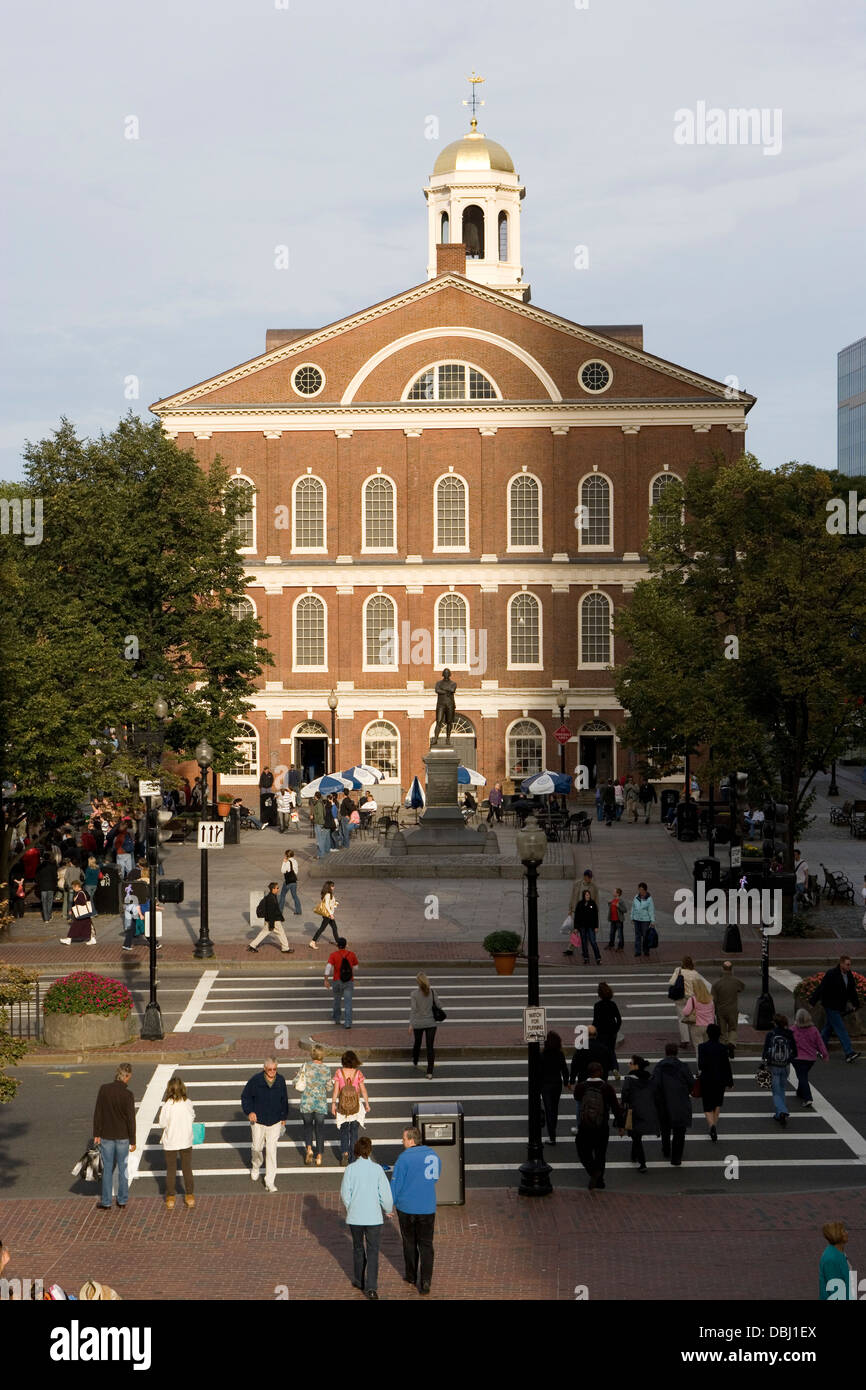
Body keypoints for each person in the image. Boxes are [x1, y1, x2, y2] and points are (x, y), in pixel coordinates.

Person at [339, 1135, 393, 1300]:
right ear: (369, 1151)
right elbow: (385, 1193)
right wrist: (388, 1208)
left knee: (357, 1248)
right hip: (373, 1218)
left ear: (355, 1151)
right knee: (373, 1251)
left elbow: (344, 1193)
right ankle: (371, 1287)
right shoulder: (376, 1169)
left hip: (355, 1217)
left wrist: (351, 1207)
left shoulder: (350, 1169)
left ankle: (358, 1279)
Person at [391, 1125, 441, 1295]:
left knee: (409, 1243)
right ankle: (426, 1280)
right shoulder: (433, 1155)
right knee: (426, 1245)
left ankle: (411, 1276)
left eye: (404, 1138)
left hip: (407, 1208)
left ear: (411, 1140)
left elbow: (395, 1185)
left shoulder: (403, 1158)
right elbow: (435, 1176)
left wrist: (389, 1203)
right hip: (427, 1207)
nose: (402, 1141)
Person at [573, 1062, 625, 1189]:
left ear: (588, 1073)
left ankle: (593, 1171)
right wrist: (621, 1126)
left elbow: (577, 1097)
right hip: (601, 1125)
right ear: (601, 1072)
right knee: (600, 1153)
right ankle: (599, 1180)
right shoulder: (607, 1088)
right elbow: (615, 1107)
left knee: (583, 1151)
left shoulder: (581, 1086)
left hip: (585, 1125)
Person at [241, 1057, 288, 1192]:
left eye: (275, 1069)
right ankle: (256, 1166)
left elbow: (284, 1099)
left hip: (275, 1121)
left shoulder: (281, 1080)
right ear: (264, 1069)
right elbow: (245, 1097)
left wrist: (284, 1116)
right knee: (256, 1148)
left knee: (272, 1151)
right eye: (269, 1069)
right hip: (258, 1121)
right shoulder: (255, 1080)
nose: (272, 1072)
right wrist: (249, 1112)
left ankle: (270, 1181)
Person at [93, 1063, 136, 1209]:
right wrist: (133, 1140)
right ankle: (122, 1200)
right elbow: (131, 1119)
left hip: (107, 1135)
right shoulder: (128, 1095)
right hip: (123, 1136)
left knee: (107, 1168)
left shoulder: (104, 1089)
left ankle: (106, 1201)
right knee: (123, 1167)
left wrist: (96, 1133)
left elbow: (98, 1113)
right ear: (127, 1076)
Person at [809, 956, 862, 1063]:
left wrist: (856, 1003)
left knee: (829, 1027)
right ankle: (849, 1053)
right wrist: (813, 1001)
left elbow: (852, 990)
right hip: (830, 1005)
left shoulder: (849, 975)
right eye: (847, 964)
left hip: (839, 1006)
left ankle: (818, 1047)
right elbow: (821, 987)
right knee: (841, 1028)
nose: (849, 966)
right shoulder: (831, 974)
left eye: (850, 964)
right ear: (841, 964)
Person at [651, 1042, 695, 1166]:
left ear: (666, 1052)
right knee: (679, 1132)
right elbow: (691, 1084)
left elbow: (654, 1086)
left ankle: (666, 1149)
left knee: (665, 1128)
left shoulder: (659, 1067)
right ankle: (676, 1158)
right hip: (680, 1103)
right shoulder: (683, 1066)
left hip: (663, 1103)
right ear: (677, 1052)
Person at [158, 1076, 196, 1209]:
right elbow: (192, 1116)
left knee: (171, 1169)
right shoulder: (188, 1102)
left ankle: (170, 1198)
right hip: (186, 1139)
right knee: (186, 1167)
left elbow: (162, 1123)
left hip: (171, 1141)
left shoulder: (167, 1105)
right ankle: (190, 1195)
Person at [618, 1055, 657, 1172]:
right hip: (647, 1109)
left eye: (630, 1063)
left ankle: (643, 1163)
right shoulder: (649, 1078)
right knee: (637, 1135)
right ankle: (634, 1156)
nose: (628, 1064)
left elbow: (625, 1095)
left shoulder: (630, 1079)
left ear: (636, 1066)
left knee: (636, 1136)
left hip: (633, 1110)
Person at [696, 1022, 733, 1141]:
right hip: (720, 1079)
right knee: (717, 1103)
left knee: (707, 1104)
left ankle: (711, 1126)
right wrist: (730, 1081)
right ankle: (714, 1125)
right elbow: (727, 1066)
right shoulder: (723, 1048)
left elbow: (701, 1065)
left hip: (706, 1079)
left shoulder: (702, 1047)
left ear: (708, 1034)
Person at [332, 1051, 370, 1165]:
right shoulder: (358, 1073)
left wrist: (333, 1104)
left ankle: (345, 1153)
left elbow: (336, 1090)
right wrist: (367, 1103)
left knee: (344, 1131)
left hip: (342, 1106)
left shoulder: (339, 1072)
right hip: (355, 1106)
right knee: (354, 1132)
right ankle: (353, 1157)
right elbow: (363, 1090)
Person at [762, 1013, 797, 1126]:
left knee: (776, 1091)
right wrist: (787, 1059)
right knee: (782, 1089)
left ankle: (782, 1111)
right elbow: (795, 1052)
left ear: (775, 1023)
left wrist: (765, 1063)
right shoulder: (789, 1034)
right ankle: (778, 1114)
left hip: (774, 1065)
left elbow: (765, 1052)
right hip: (785, 1066)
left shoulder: (771, 1034)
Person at [298, 1044, 330, 1166]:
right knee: (320, 1130)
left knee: (307, 1128)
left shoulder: (305, 1066)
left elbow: (296, 1082)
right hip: (320, 1104)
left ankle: (309, 1149)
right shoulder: (326, 1069)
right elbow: (329, 1087)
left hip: (307, 1103)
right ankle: (319, 1156)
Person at [791, 1007, 829, 1107]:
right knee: (803, 1075)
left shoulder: (793, 1029)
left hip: (797, 1058)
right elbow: (820, 1043)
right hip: (810, 1059)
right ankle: (800, 1091)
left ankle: (808, 1098)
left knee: (802, 1076)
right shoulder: (814, 1030)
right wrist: (824, 1054)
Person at [669, 955, 711, 1042]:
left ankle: (685, 1040)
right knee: (692, 1017)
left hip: (680, 997)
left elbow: (672, 982)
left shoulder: (678, 970)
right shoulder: (695, 974)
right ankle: (693, 1035)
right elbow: (701, 985)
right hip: (691, 998)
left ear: (683, 963)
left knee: (682, 1018)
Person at [540, 1030, 569, 1145]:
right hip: (557, 1084)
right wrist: (566, 1082)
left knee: (548, 1109)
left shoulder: (542, 1055)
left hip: (545, 1084)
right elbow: (564, 1070)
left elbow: (538, 1072)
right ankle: (553, 1130)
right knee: (555, 1108)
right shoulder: (559, 1054)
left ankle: (552, 1136)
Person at [247, 882, 294, 954]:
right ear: (273, 889)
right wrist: (272, 924)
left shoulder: (272, 896)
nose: (278, 889)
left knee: (264, 932)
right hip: (273, 920)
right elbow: (271, 912)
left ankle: (252, 945)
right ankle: (285, 948)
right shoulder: (271, 898)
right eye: (277, 888)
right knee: (281, 933)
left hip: (270, 920)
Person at [409, 972, 439, 1078]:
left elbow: (413, 1010)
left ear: (418, 982)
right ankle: (429, 1072)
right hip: (431, 1023)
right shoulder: (432, 992)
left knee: (417, 1043)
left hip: (418, 1023)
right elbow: (439, 1005)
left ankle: (415, 1060)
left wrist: (411, 1024)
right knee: (430, 1047)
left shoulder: (414, 994)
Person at [712, 961, 745, 1056]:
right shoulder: (736, 981)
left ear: (722, 969)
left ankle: (723, 1049)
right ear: (732, 969)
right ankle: (731, 1043)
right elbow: (742, 988)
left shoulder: (716, 983)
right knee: (733, 1029)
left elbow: (714, 999)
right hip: (732, 1009)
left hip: (721, 1010)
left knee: (722, 1031)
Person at [564, 868, 598, 957]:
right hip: (578, 911)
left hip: (588, 913)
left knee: (585, 932)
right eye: (588, 877)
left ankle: (585, 950)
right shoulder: (577, 884)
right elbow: (572, 896)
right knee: (575, 931)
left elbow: (596, 901)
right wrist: (570, 909)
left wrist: (594, 911)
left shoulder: (594, 887)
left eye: (591, 877)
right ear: (585, 877)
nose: (590, 879)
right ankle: (570, 949)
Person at [326, 936, 359, 1028]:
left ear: (337, 945)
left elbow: (328, 967)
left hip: (337, 980)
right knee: (348, 1003)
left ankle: (337, 1019)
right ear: (345, 945)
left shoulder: (333, 955)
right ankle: (348, 1023)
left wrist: (326, 979)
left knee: (337, 1000)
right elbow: (356, 967)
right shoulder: (351, 954)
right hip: (348, 981)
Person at [593, 983, 622, 1077]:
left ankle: (603, 1069)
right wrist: (616, 1030)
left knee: (601, 1051)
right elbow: (619, 1019)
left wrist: (592, 1030)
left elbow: (596, 1021)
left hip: (601, 1033)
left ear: (599, 994)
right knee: (611, 1050)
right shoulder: (613, 1004)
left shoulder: (597, 1005)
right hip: (611, 1033)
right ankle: (615, 1068)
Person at [819, 1222, 854, 1300]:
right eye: (844, 1231)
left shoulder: (840, 1252)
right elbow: (836, 1293)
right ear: (837, 1236)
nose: (847, 1233)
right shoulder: (831, 1259)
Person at [681, 978, 715, 1052]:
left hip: (697, 1026)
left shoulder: (693, 999)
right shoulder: (710, 999)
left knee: (698, 1048)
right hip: (709, 1026)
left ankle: (700, 1063)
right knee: (708, 1048)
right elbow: (713, 1013)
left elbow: (686, 1012)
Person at [572, 887, 601, 965]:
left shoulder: (593, 903)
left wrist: (596, 927)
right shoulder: (580, 904)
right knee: (584, 942)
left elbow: (596, 916)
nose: (588, 896)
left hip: (591, 927)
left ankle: (598, 958)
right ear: (583, 896)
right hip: (582, 927)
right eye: (586, 895)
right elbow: (576, 917)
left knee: (593, 942)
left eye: (589, 895)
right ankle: (586, 958)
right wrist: (576, 927)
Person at [61, 880, 94, 946]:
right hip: (85, 914)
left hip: (81, 914)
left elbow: (82, 902)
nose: (73, 889)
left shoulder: (80, 893)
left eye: (73, 887)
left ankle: (69, 939)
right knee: (88, 926)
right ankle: (92, 939)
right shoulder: (83, 892)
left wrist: (76, 899)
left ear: (77, 886)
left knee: (75, 926)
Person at [309, 879, 338, 949]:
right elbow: (326, 905)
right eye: (332, 886)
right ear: (329, 887)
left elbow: (329, 903)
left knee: (334, 927)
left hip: (328, 914)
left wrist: (335, 904)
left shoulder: (328, 894)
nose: (333, 887)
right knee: (322, 928)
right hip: (327, 915)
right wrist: (331, 914)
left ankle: (338, 942)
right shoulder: (328, 895)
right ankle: (312, 942)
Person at [631, 883, 656, 960]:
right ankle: (637, 951)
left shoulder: (649, 899)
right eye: (639, 889)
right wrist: (632, 917)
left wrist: (652, 921)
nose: (640, 891)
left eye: (641, 889)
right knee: (637, 936)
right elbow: (633, 907)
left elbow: (651, 910)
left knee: (645, 936)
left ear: (645, 890)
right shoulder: (636, 897)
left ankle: (646, 951)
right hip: (637, 919)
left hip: (645, 920)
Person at [278, 850, 301, 916]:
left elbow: (282, 871)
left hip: (288, 881)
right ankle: (298, 910)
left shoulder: (287, 862)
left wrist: (284, 862)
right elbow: (296, 871)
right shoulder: (295, 861)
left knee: (282, 895)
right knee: (295, 896)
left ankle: (280, 910)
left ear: (286, 855)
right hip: (294, 881)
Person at [36, 854, 58, 923]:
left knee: (44, 902)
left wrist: (39, 884)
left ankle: (46, 918)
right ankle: (49, 915)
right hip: (51, 886)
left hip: (43, 887)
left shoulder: (40, 867)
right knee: (49, 902)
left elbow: (37, 877)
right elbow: (55, 877)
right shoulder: (53, 866)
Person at [311, 791, 329, 858]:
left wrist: (315, 819)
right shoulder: (319, 803)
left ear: (316, 796)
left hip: (319, 823)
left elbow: (321, 814)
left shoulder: (318, 804)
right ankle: (319, 854)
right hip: (319, 822)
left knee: (319, 840)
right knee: (319, 840)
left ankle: (321, 854)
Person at [793, 849, 809, 914]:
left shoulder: (804, 863)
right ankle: (795, 912)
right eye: (793, 855)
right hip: (795, 883)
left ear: (799, 855)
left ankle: (806, 906)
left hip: (801, 883)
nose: (794, 856)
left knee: (803, 898)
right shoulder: (793, 862)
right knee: (795, 898)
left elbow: (806, 874)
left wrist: (806, 884)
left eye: (795, 855)